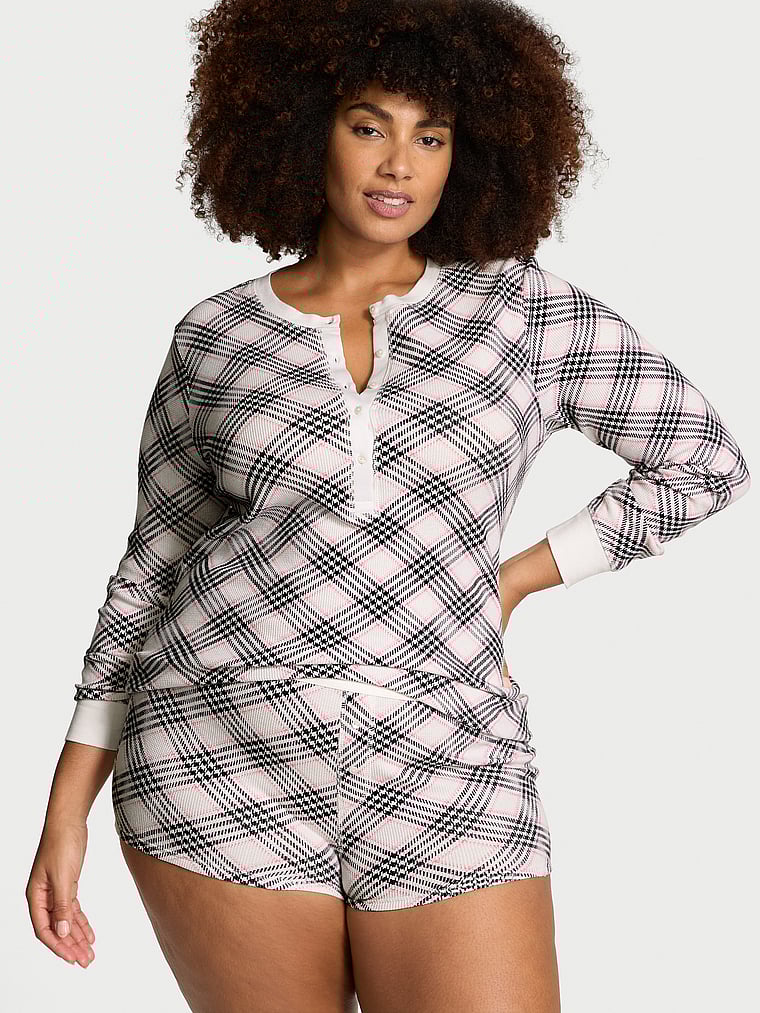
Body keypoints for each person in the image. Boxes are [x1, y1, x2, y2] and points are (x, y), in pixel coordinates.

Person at [26, 0, 751, 1010]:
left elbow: (702, 462)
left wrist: (511, 580)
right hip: (214, 747)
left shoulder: (523, 311)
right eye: (369, 125)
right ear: (303, 128)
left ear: (470, 153)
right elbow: (151, 566)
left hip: (448, 749)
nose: (399, 163)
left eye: (432, 136)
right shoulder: (215, 335)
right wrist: (67, 803)